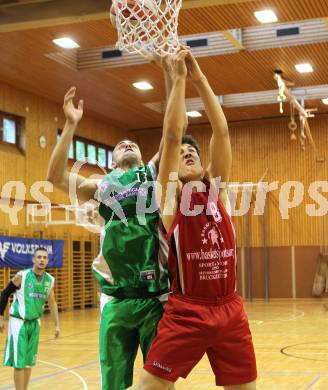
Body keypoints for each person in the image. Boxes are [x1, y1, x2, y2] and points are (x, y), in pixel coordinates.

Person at [47, 59, 178, 390]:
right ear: (112, 160)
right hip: (116, 299)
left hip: (155, 298)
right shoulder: (100, 185)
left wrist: (171, 77)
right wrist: (70, 124)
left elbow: (172, 131)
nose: (128, 144)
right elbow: (54, 176)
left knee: (161, 382)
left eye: (133, 143)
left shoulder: (151, 173)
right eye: (121, 145)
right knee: (113, 384)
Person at [138, 51, 257, 389]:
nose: (188, 152)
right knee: (150, 386)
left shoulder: (217, 192)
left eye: (194, 152)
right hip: (187, 311)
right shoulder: (170, 200)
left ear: (204, 166)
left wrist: (199, 77)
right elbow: (173, 136)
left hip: (229, 310)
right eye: (183, 154)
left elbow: (221, 131)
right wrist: (176, 82)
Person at [0, 247, 60, 390]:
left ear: (47, 260)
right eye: (39, 257)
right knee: (19, 363)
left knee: (28, 362)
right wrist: (1, 317)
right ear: (33, 259)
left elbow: (52, 303)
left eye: (45, 257)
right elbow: (5, 293)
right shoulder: (22, 276)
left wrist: (57, 325)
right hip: (18, 322)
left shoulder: (50, 280)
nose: (42, 260)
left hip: (35, 324)